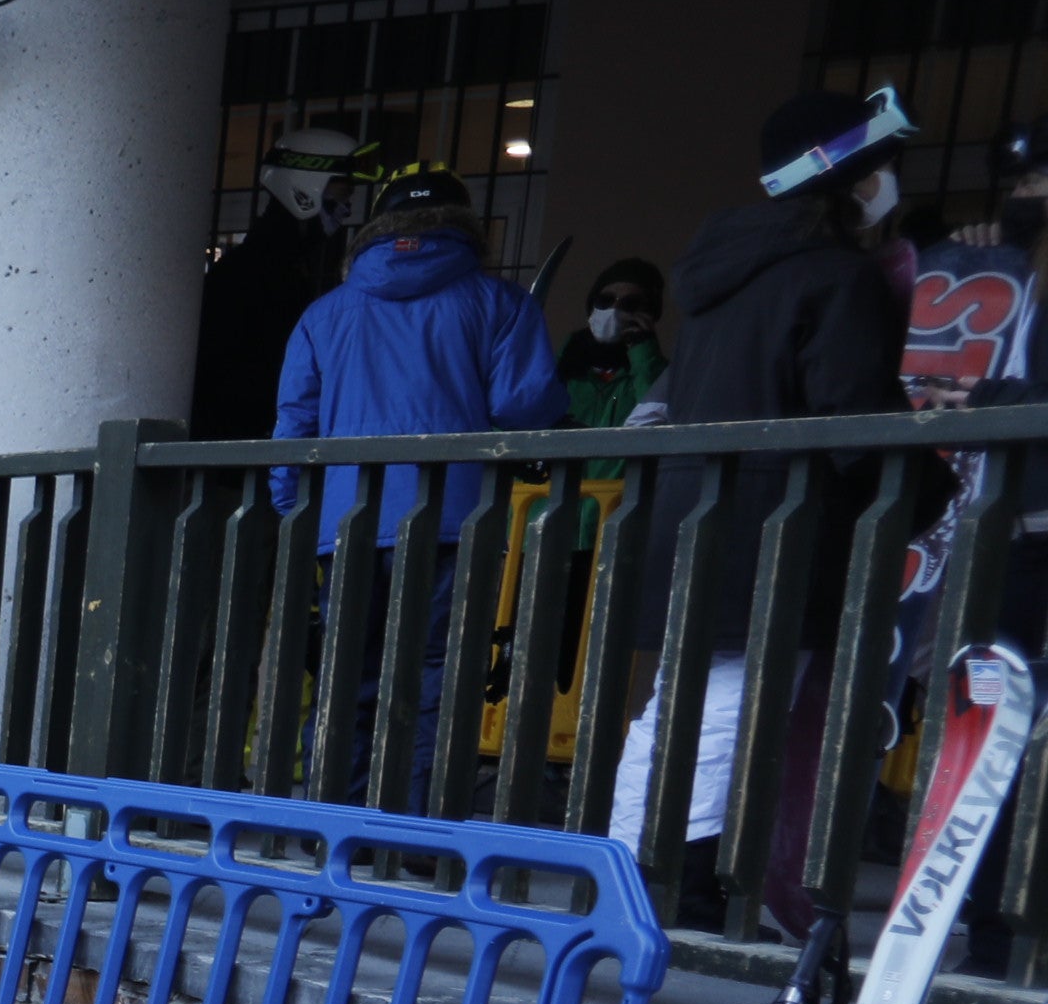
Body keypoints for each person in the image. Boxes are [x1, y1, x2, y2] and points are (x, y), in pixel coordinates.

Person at [609, 89, 937, 922]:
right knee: (731, 725)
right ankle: (681, 912)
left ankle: (615, 880)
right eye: (884, 167)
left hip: (695, 523)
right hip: (772, 544)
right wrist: (933, 489)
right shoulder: (837, 277)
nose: (891, 183)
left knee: (670, 719)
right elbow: (855, 422)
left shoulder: (721, 275)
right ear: (854, 180)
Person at [267, 166, 560, 808]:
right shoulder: (500, 303)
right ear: (464, 227)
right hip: (455, 522)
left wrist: (291, 508)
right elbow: (523, 409)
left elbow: (295, 426)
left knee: (347, 672)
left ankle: (331, 823)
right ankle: (417, 827)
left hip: (346, 525)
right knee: (438, 673)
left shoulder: (324, 315)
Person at [190, 125, 367, 438]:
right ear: (308, 187)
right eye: (343, 187)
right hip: (241, 460)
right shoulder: (251, 273)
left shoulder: (287, 265)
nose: (348, 202)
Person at [557, 256, 672, 430]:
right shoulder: (562, 366)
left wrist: (644, 352)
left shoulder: (658, 375)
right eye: (606, 300)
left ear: (647, 313)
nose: (614, 309)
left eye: (629, 303)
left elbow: (656, 420)